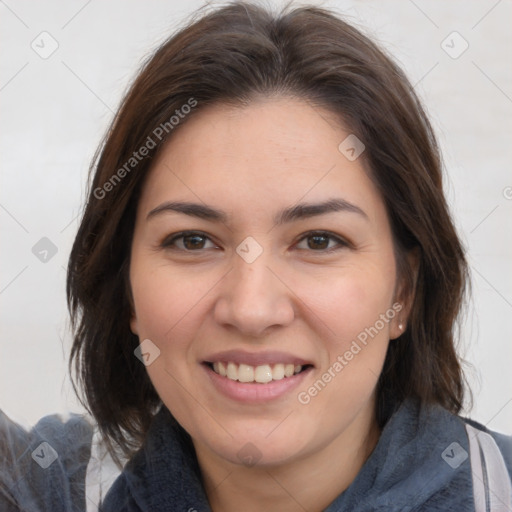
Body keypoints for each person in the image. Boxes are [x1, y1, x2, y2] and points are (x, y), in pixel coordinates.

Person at [1, 2, 511, 511]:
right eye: (193, 241)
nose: (250, 309)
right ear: (126, 284)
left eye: (318, 241)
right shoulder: (38, 489)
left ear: (403, 291)